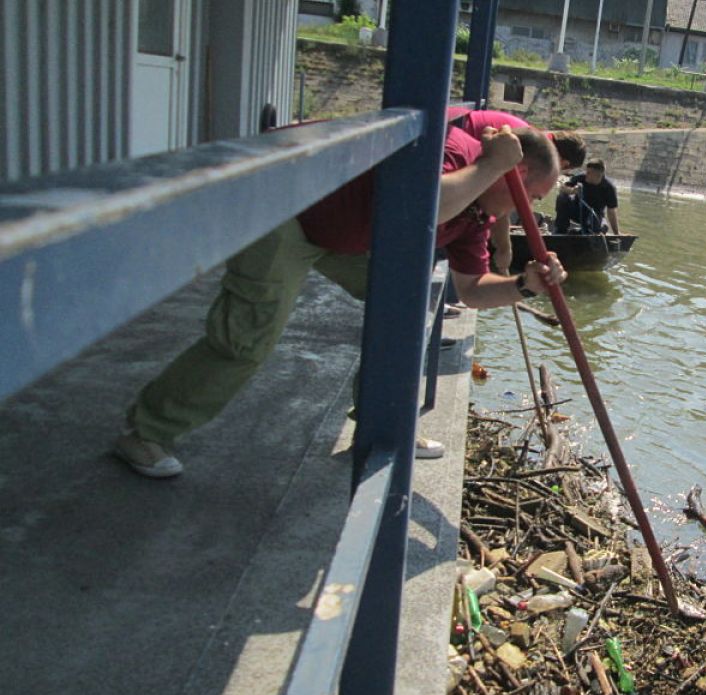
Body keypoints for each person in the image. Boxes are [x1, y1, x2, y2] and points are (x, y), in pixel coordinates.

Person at [114, 124, 565, 479]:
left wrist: (523, 287)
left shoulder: (477, 213)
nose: (525, 212)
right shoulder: (459, 154)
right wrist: (490, 166)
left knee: (407, 307)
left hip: (345, 236)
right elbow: (421, 204)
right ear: (519, 174)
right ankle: (146, 432)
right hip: (291, 212)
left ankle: (379, 423)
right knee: (247, 337)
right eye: (535, 198)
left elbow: (469, 290)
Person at [448, 107, 586, 272]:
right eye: (563, 170)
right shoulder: (525, 149)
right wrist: (505, 249)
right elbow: (503, 199)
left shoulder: (532, 138)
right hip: (448, 147)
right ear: (564, 163)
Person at [554, 158, 620, 236]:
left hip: (594, 215)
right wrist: (572, 191)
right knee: (562, 197)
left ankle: (583, 231)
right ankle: (561, 231)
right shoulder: (581, 178)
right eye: (586, 171)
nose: (586, 174)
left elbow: (611, 212)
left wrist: (616, 233)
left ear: (599, 175)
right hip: (576, 211)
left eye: (589, 173)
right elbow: (562, 188)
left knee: (600, 229)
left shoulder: (609, 188)